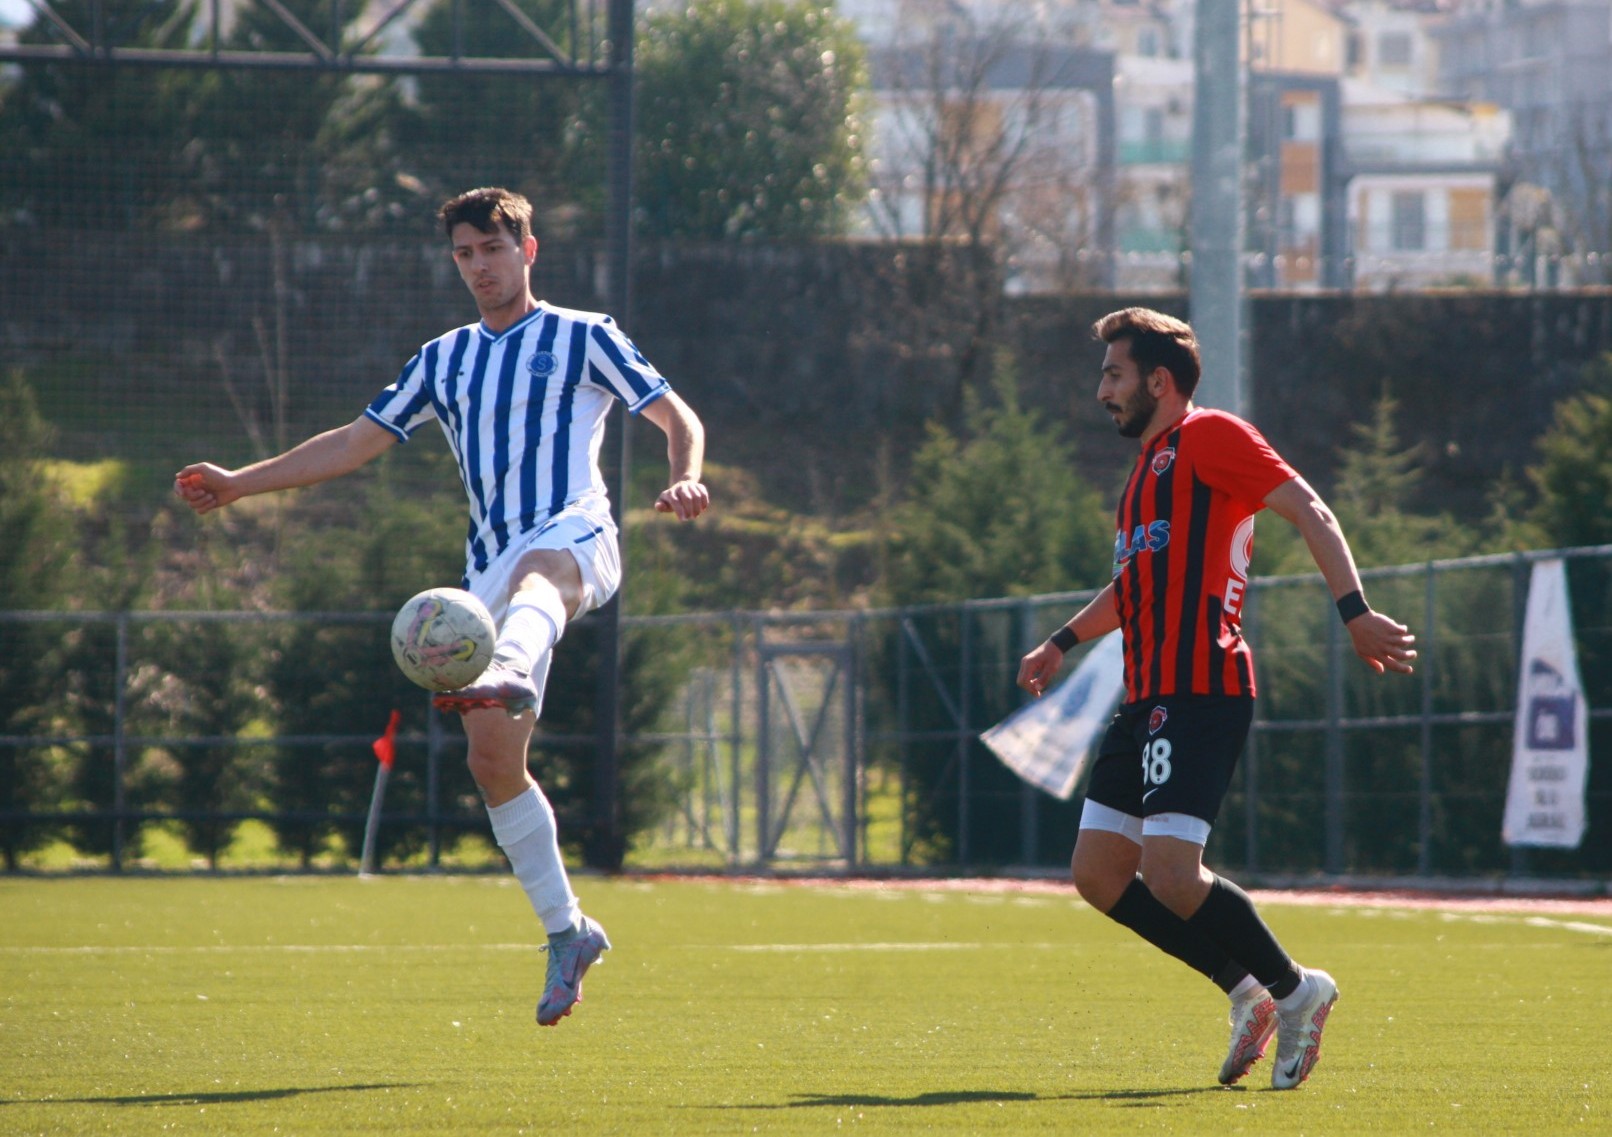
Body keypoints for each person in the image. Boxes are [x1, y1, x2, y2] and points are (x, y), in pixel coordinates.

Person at [176, 186, 710, 1027]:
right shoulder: (443, 357)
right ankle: (568, 931)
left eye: (493, 250)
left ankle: (509, 664)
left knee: (542, 573)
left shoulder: (583, 335)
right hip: (484, 571)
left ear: (527, 251)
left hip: (575, 533)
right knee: (492, 763)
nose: (479, 267)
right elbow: (355, 442)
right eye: (464, 254)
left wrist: (683, 473)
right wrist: (242, 482)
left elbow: (675, 414)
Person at [1015, 307, 1415, 1089]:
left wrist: (1355, 611)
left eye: (1114, 374)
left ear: (1158, 381)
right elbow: (1134, 585)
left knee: (1171, 871)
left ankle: (1299, 990)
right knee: (1099, 875)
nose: (1103, 390)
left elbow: (1310, 508)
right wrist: (1062, 641)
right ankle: (1247, 994)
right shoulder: (1144, 475)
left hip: (1203, 688)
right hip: (1146, 697)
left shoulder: (1213, 436)